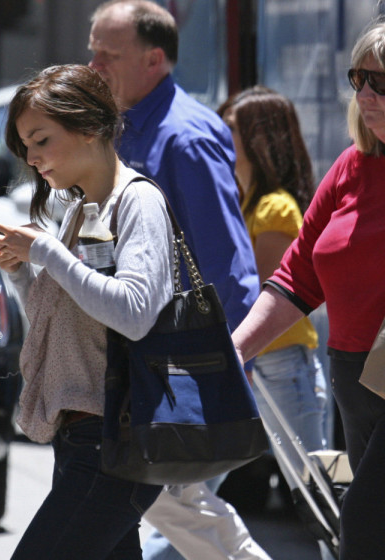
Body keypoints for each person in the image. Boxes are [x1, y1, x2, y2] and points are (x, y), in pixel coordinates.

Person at [87, 2, 268, 559]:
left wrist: (227, 365)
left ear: (155, 60)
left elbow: (228, 264)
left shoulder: (184, 139)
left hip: (175, 366)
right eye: (91, 51)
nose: (93, 67)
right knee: (143, 502)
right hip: (135, 356)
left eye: (108, 56)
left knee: (170, 503)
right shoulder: (122, 126)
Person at [0, 63, 173, 559]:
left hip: (114, 437)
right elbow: (60, 324)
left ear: (88, 127)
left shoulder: (136, 202)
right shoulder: (82, 210)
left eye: (41, 140)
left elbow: (133, 312)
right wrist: (20, 271)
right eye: (26, 147)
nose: (33, 159)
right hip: (83, 436)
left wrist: (45, 252)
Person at [232, 16, 385, 559]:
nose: (366, 93)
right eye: (357, 79)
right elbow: (296, 278)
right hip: (353, 384)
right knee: (348, 518)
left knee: (361, 534)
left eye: (381, 81)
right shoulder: (349, 168)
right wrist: (235, 350)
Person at [217, 86, 326, 466]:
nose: (219, 131)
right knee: (197, 478)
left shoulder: (274, 207)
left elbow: (265, 294)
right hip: (252, 357)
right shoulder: (245, 201)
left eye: (230, 126)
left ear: (259, 137)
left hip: (278, 363)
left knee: (316, 486)